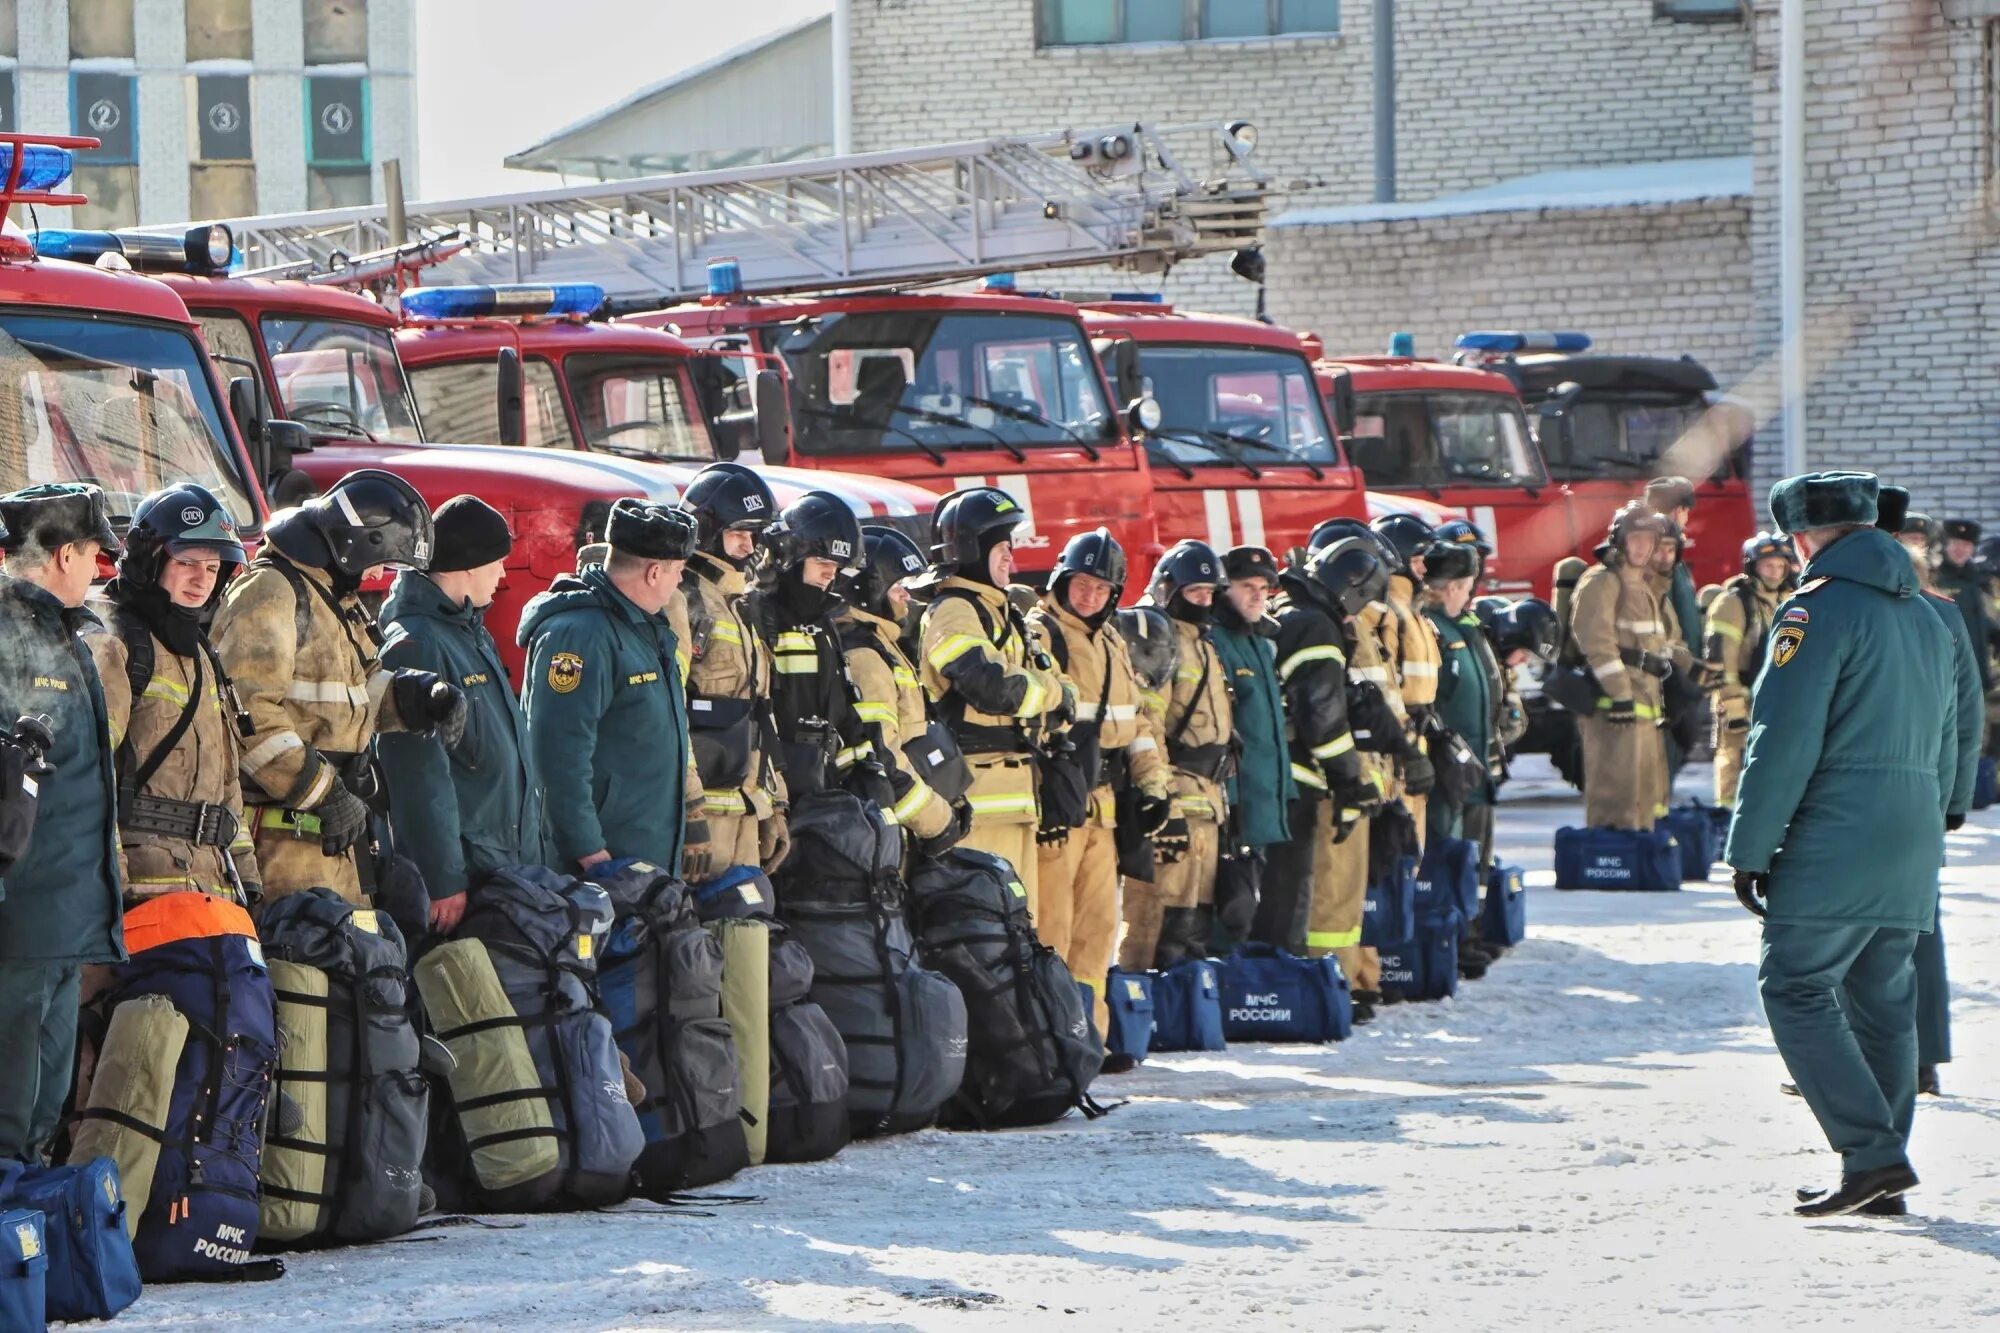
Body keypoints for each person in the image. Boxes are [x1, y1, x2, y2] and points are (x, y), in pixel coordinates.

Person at [1726, 471, 1958, 1218]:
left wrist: (1750, 845)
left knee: (1793, 983)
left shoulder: (1814, 611)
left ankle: (1873, 1154)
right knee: (1883, 998)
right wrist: (1941, 812)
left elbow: (1781, 738)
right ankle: (1878, 1168)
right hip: (1910, 834)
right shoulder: (1929, 617)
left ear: (1802, 538)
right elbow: (1954, 736)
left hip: (1836, 832)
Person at [213, 470, 465, 908]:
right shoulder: (272, 590)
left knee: (357, 963)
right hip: (285, 840)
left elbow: (353, 691)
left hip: (332, 833)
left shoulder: (327, 594)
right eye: (380, 560)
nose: (378, 574)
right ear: (355, 543)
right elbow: (246, 713)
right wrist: (324, 792)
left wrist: (421, 698)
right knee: (302, 969)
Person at [0, 483, 123, 1163]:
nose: (101, 566)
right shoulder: (9, 630)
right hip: (23, 911)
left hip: (62, 916)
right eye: (94, 552)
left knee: (41, 1108)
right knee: (11, 1103)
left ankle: (28, 1250)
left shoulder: (66, 634)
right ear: (64, 552)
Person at [377, 496, 549, 935]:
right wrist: (443, 878)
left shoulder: (468, 631)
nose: (504, 575)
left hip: (502, 864)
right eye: (497, 564)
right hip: (465, 877)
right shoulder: (418, 643)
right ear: (468, 566)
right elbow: (417, 775)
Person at [1027, 529, 1172, 1044]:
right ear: (1061, 580)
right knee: (1053, 929)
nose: (1089, 596)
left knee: (1098, 932)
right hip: (1058, 806)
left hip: (1105, 807)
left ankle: (1091, 1038)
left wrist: (1154, 785)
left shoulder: (1113, 639)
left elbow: (1137, 726)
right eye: (1081, 584)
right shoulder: (1040, 633)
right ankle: (1051, 1040)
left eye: (1101, 588)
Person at [87, 484, 258, 909]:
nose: (202, 579)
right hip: (143, 894)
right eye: (188, 563)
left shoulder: (202, 653)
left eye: (214, 568)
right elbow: (91, 779)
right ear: (151, 562)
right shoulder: (115, 642)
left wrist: (248, 880)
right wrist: (113, 892)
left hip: (216, 892)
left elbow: (227, 784)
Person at [520, 498, 699, 875]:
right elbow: (557, 753)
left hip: (644, 855)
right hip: (605, 863)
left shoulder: (642, 627)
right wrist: (586, 846)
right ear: (654, 572)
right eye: (678, 570)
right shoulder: (580, 634)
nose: (680, 580)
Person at [918, 487, 1070, 912]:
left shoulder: (1004, 613)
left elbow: (1057, 690)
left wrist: (1054, 694)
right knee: (985, 930)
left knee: (1020, 932)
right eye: (1001, 546)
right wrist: (1054, 695)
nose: (1011, 557)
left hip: (1015, 798)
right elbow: (990, 686)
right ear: (972, 548)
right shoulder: (954, 610)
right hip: (976, 801)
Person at [1878, 487, 1980, 1099]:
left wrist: (1954, 800)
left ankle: (1916, 1056)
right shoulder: (1937, 612)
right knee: (1903, 929)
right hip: (1907, 800)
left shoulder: (1940, 612)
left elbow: (1967, 718)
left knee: (1910, 930)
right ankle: (1896, 1056)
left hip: (1904, 799)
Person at [1261, 538, 1386, 1012]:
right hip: (1301, 780)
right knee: (1299, 895)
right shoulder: (1317, 626)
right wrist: (1350, 776)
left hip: (1275, 778)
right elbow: (1323, 717)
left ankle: (1302, 989)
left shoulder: (1290, 612)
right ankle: (1305, 993)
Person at [1123, 540, 1233, 970]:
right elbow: (1146, 723)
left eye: (1210, 593)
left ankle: (1183, 1007)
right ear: (1169, 589)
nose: (1204, 602)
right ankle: (1142, 1002)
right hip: (1174, 797)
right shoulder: (1156, 638)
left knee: (1192, 917)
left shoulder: (1205, 645)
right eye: (1195, 592)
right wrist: (1160, 799)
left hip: (1207, 799)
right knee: (1154, 913)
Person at [679, 463, 789, 877]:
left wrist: (775, 805)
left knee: (749, 931)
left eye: (754, 536)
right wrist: (691, 813)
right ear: (707, 530)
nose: (749, 546)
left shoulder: (737, 606)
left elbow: (759, 714)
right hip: (702, 823)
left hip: (746, 815)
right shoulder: (682, 599)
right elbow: (667, 715)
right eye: (738, 533)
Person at [835, 526, 965, 851]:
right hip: (899, 829)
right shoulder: (865, 656)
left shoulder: (882, 643)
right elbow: (884, 756)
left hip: (904, 822)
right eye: (898, 587)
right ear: (871, 590)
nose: (906, 595)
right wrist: (937, 821)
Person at [750, 490, 867, 814]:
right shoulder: (759, 613)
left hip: (824, 782)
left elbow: (840, 708)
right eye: (823, 562)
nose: (831, 574)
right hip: (780, 790)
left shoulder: (825, 624)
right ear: (790, 557)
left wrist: (863, 772)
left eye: (837, 566)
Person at [1567, 503, 1680, 830]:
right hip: (1613, 708)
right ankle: (1612, 858)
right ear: (1619, 540)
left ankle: (1638, 854)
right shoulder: (1602, 582)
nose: (1643, 547)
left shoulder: (1641, 584)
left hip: (1643, 705)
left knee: (1642, 794)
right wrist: (1618, 694)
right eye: (1636, 539)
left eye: (1649, 540)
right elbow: (1596, 642)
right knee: (1615, 793)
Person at [1369, 514, 1443, 848]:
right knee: (1399, 847)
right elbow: (1387, 686)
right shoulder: (1388, 612)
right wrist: (1405, 746)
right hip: (1399, 746)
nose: (1425, 569)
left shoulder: (1414, 613)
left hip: (1418, 735)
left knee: (1415, 843)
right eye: (1417, 561)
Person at [1705, 533, 1791, 807]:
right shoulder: (1732, 603)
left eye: (1780, 566)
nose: (1775, 573)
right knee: (1733, 759)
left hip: (1778, 698)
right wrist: (1732, 702)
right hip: (1740, 696)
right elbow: (1720, 659)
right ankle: (1726, 820)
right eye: (1768, 566)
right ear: (1753, 566)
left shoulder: (1791, 600)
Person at [1934, 518, 1994, 697]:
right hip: (1949, 674)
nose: (1961, 549)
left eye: (1967, 544)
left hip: (1978, 672)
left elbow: (1975, 618)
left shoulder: (1976, 578)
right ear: (1945, 545)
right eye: (1955, 543)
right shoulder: (1934, 578)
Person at [1644, 476, 1704, 658]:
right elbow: (1681, 619)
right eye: (1686, 511)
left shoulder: (1646, 556)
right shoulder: (1663, 565)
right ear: (1679, 511)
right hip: (1671, 665)